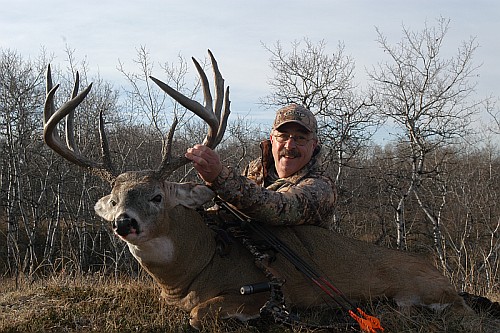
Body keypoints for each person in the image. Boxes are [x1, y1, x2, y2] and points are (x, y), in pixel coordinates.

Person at [185, 103, 336, 229]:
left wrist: (220, 177)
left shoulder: (321, 187)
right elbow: (228, 210)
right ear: (272, 139)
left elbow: (280, 208)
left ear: (314, 144)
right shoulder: (255, 169)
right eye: (283, 136)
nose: (290, 145)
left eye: (300, 138)